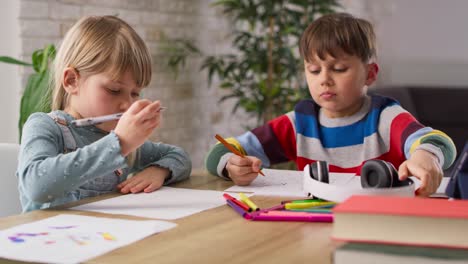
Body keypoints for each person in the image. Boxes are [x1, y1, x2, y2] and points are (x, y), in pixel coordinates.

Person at [205, 13, 456, 197]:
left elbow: (438, 141)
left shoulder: (385, 116)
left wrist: (425, 156)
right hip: (312, 221)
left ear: (370, 74)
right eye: (314, 70)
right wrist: (231, 165)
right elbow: (221, 150)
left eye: (339, 69)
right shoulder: (299, 122)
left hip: (376, 219)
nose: (324, 79)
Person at [17, 16, 192, 212]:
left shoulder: (121, 141)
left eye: (135, 93)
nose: (128, 104)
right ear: (72, 80)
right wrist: (120, 144)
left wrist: (159, 171)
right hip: (48, 238)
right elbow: (36, 186)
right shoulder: (45, 126)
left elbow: (179, 156)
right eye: (114, 90)